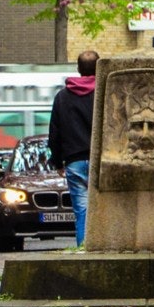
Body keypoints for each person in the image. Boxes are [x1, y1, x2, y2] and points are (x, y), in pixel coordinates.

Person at [49, 50, 98, 246]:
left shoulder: (62, 97)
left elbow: (55, 132)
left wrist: (57, 161)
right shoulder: (103, 93)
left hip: (74, 161)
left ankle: (84, 249)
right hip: (100, 160)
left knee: (82, 211)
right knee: (103, 210)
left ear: (78, 69)